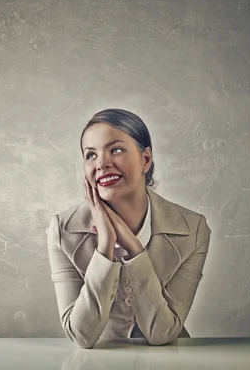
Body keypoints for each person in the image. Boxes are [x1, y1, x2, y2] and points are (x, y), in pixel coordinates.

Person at [46, 108, 211, 349]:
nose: (102, 164)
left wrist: (133, 247)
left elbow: (162, 334)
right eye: (90, 155)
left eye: (116, 150)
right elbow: (81, 335)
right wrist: (105, 246)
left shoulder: (193, 230)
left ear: (145, 160)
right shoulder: (62, 230)